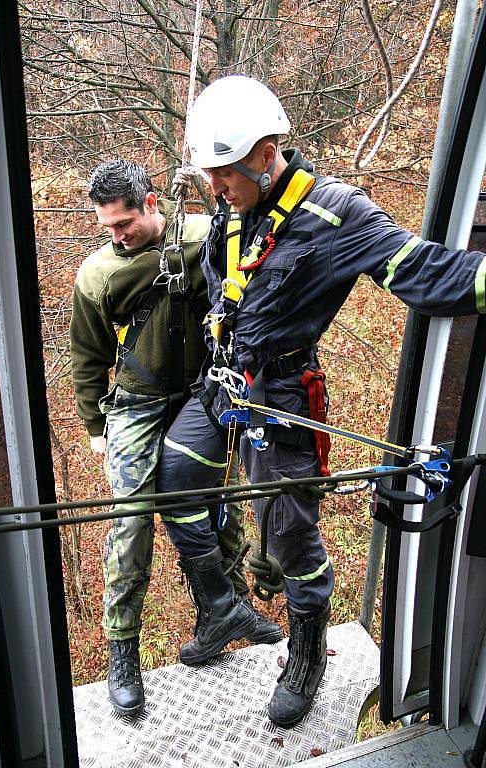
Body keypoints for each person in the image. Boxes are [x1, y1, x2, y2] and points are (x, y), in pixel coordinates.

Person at [155, 75, 486, 728]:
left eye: (223, 174)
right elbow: (228, 280)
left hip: (279, 398)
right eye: (210, 176)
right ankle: (221, 606)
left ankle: (308, 651)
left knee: (289, 536)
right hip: (226, 379)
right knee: (178, 476)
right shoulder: (232, 206)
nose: (214, 189)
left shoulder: (338, 214)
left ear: (263, 152)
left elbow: (427, 274)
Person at [69, 159, 282, 718]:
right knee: (134, 518)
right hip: (136, 405)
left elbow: (247, 258)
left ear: (151, 205)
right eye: (108, 226)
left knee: (218, 505)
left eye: (126, 223)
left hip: (200, 397)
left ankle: (223, 611)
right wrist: (96, 427)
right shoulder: (98, 275)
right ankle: (123, 650)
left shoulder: (202, 236)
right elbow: (88, 357)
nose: (117, 234)